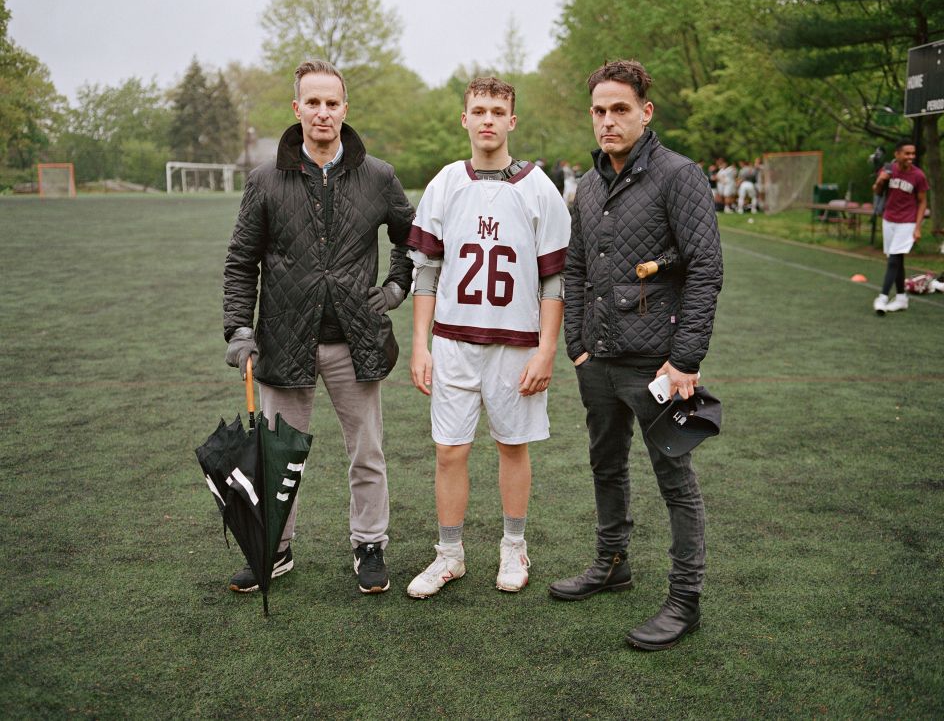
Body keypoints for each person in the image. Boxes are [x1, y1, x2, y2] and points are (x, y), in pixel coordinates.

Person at [548, 59, 723, 652]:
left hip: (658, 366)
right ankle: (612, 563)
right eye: (598, 111)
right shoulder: (590, 183)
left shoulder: (680, 176)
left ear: (645, 112)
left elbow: (705, 269)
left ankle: (685, 599)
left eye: (619, 109)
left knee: (675, 479)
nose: (607, 121)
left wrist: (686, 360)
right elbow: (574, 266)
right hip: (596, 361)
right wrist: (576, 344)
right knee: (606, 465)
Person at [222, 59, 414, 595]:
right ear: (297, 108)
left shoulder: (377, 176)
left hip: (357, 342)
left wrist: (396, 287)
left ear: (344, 109)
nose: (323, 111)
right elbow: (241, 261)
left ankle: (369, 545)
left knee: (367, 453)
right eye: (313, 102)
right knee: (279, 456)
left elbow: (415, 238)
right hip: (283, 342)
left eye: (332, 103)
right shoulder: (265, 180)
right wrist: (239, 330)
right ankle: (275, 549)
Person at [405, 77, 571, 598]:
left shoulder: (539, 188)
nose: (488, 119)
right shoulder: (446, 183)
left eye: (498, 110)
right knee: (449, 452)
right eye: (479, 110)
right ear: (465, 118)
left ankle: (513, 546)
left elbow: (554, 279)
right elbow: (427, 269)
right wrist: (419, 343)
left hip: (515, 344)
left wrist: (546, 348)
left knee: (511, 446)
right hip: (454, 341)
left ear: (512, 121)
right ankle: (449, 554)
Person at [871, 139, 929, 315]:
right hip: (889, 220)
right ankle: (902, 298)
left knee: (893, 260)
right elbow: (877, 191)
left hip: (907, 222)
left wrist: (917, 227)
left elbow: (922, 202)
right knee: (897, 260)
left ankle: (882, 297)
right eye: (907, 153)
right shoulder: (889, 169)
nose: (911, 157)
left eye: (913, 154)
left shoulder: (918, 176)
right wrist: (881, 180)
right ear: (897, 154)